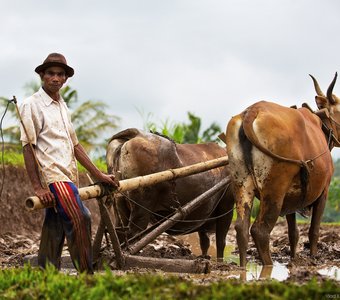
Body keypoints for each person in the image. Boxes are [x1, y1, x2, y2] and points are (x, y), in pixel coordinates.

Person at [19, 53, 117, 274]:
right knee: (81, 217)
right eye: (51, 73)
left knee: (54, 226)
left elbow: (76, 147)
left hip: (68, 176)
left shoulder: (62, 107)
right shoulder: (31, 105)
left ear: (65, 79)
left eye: (60, 74)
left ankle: (46, 274)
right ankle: (87, 276)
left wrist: (99, 175)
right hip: (53, 176)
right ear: (42, 75)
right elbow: (28, 147)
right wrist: (38, 187)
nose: (55, 78)